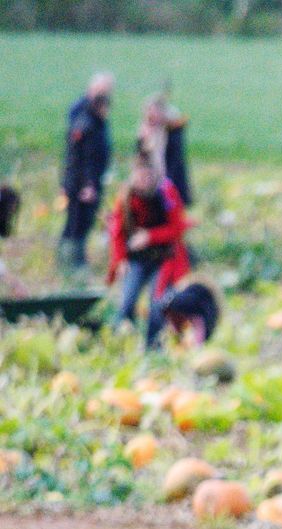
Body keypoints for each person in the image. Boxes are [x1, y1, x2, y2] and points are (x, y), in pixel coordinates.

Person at [106, 153, 190, 348]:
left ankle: (153, 348)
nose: (143, 182)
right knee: (127, 302)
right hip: (136, 259)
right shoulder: (126, 197)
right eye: (139, 177)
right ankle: (124, 343)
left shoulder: (166, 193)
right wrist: (120, 260)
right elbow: (117, 231)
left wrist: (149, 236)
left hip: (163, 259)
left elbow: (177, 227)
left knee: (157, 305)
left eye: (147, 177)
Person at [58, 72, 114, 272]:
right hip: (80, 185)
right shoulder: (86, 123)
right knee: (76, 223)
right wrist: (88, 185)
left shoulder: (94, 122)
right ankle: (70, 263)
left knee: (83, 222)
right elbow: (85, 159)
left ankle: (74, 261)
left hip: (86, 182)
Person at [137, 93, 193, 206]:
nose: (151, 116)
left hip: (169, 184)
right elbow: (139, 158)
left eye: (154, 112)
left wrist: (166, 186)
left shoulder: (172, 131)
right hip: (148, 183)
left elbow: (174, 160)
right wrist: (143, 141)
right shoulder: (144, 130)